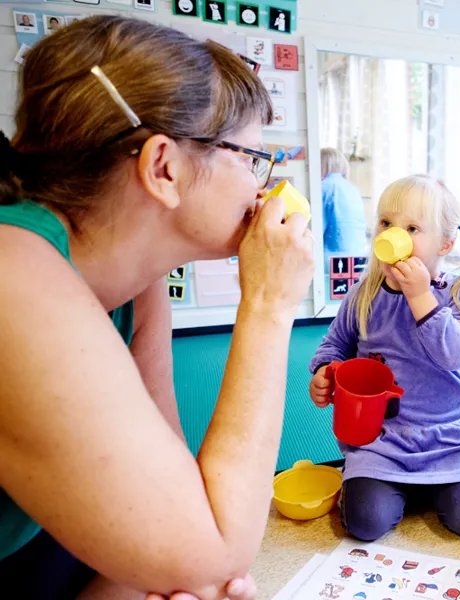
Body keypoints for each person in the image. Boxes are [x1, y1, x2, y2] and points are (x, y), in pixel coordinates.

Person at [0, 16, 315, 600]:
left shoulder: (138, 284)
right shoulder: (16, 277)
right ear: (163, 167)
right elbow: (220, 550)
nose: (262, 188)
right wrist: (270, 305)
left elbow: (187, 514)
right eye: (251, 160)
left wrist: (186, 570)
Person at [309, 175, 460, 541]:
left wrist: (421, 297)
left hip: (451, 436)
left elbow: (453, 355)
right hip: (383, 439)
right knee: (365, 523)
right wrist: (322, 372)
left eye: (411, 228)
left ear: (445, 243)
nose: (392, 235)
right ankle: (404, 487)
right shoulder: (364, 294)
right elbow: (335, 345)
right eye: (386, 223)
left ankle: (435, 484)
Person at [320, 148, 368, 257]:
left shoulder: (324, 188)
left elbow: (316, 229)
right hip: (358, 256)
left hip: (330, 260)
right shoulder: (352, 189)